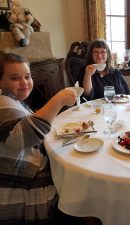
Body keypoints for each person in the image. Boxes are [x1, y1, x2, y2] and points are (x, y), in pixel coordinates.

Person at [0, 53, 101, 225]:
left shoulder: (10, 99)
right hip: (21, 185)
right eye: (14, 78)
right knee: (87, 183)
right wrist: (59, 99)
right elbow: (23, 137)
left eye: (27, 76)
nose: (24, 83)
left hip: (30, 168)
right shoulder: (2, 103)